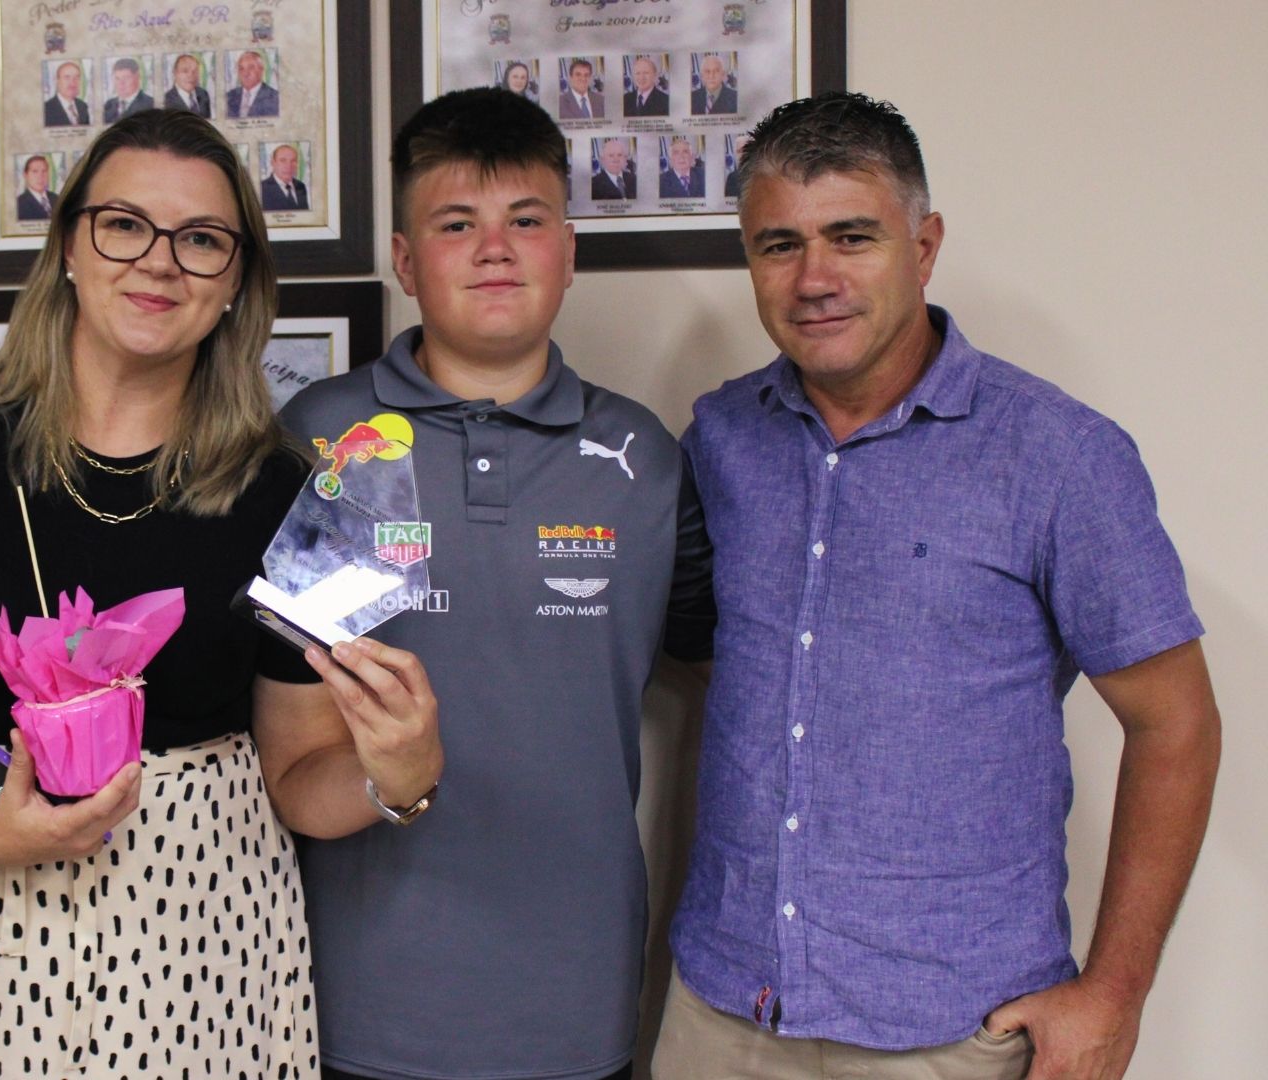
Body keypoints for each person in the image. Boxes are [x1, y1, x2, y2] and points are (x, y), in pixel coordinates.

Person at [0, 107, 438, 1077]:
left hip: (204, 940)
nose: (159, 262)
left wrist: (397, 778)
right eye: (124, 225)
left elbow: (297, 779)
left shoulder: (285, 491)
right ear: (69, 245)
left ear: (236, 282)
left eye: (201, 240)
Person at [654, 91, 1221, 1080]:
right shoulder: (722, 439)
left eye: (852, 237)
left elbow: (1176, 724)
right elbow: (717, 659)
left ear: (924, 247)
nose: (815, 278)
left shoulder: (1060, 456)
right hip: (723, 1009)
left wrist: (1115, 995)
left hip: (950, 1031)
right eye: (780, 245)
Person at [277, 85, 712, 1080]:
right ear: (404, 261)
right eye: (455, 224)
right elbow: (280, 740)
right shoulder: (317, 439)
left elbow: (726, 672)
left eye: (526, 220)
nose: (494, 250)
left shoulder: (644, 456)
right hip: (361, 1003)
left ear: (569, 249)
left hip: (576, 1000)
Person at [225, 50, 279, 118]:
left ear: (261, 70)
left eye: (251, 68)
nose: (245, 74)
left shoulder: (275, 98)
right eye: (241, 69)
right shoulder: (229, 96)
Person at [101, 57, 154, 123]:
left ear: (137, 77)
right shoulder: (108, 105)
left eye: (126, 78)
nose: (121, 83)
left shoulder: (151, 104)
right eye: (117, 78)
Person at [260, 143, 308, 210]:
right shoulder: (261, 188)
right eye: (283, 160)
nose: (289, 166)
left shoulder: (301, 186)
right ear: (273, 163)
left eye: (293, 161)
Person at [43, 61, 91, 127]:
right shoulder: (46, 109)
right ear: (57, 81)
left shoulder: (83, 106)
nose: (72, 82)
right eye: (67, 77)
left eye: (77, 77)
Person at [15, 154, 57, 220]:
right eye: (35, 171)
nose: (40, 176)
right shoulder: (18, 204)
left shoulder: (57, 198)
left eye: (44, 171)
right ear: (25, 175)